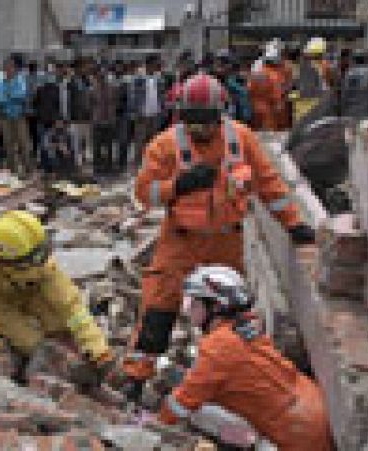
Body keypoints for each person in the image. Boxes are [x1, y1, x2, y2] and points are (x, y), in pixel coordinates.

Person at [126, 74, 316, 393]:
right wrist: (180, 185)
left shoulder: (240, 139)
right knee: (159, 306)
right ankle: (136, 375)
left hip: (226, 239)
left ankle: (229, 376)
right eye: (193, 122)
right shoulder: (165, 144)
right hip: (181, 238)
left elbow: (269, 184)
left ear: (220, 112)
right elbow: (145, 193)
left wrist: (293, 223)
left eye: (205, 122)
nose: (199, 130)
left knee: (229, 313)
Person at [157, 266, 334, 451]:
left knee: (199, 413)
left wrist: (155, 425)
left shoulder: (218, 347)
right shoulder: (246, 328)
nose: (188, 310)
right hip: (316, 417)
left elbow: (183, 402)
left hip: (296, 439)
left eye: (194, 304)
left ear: (216, 307)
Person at [0, 210, 114, 385]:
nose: (40, 262)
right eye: (32, 260)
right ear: (8, 258)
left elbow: (71, 306)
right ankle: (52, 371)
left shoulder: (39, 261)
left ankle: (79, 361)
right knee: (33, 343)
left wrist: (99, 351)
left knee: (61, 324)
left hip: (33, 291)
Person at [0, 58, 33, 177]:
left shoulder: (20, 80)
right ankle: (13, 171)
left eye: (10, 66)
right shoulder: (1, 82)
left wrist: (9, 95)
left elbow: (21, 95)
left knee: (23, 143)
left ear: (15, 68)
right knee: (8, 144)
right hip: (6, 116)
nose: (7, 69)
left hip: (19, 116)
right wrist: (10, 96)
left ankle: (28, 169)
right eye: (6, 67)